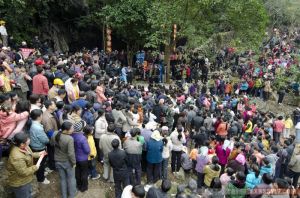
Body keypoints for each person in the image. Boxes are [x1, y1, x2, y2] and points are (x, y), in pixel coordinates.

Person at [7, 133, 46, 198]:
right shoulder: (17, 157)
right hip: (20, 182)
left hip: (25, 179)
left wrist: (39, 154)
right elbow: (23, 172)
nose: (29, 140)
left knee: (28, 193)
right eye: (28, 140)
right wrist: (35, 167)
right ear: (22, 144)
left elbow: (30, 154)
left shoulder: (25, 146)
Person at [51, 121, 77, 198]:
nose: (73, 130)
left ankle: (64, 196)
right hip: (67, 162)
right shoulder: (69, 139)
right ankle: (72, 195)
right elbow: (71, 154)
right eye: (72, 129)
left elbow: (52, 143)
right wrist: (74, 162)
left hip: (57, 160)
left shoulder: (55, 133)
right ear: (66, 130)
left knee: (62, 179)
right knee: (71, 178)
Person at [28, 109, 50, 184]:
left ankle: (40, 173)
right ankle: (41, 179)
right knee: (40, 164)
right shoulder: (37, 128)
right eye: (41, 115)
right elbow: (45, 140)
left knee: (39, 163)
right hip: (39, 148)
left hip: (33, 145)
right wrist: (49, 140)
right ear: (39, 117)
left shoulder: (31, 123)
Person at [71, 120, 90, 192]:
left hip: (75, 157)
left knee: (77, 172)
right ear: (81, 129)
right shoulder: (82, 138)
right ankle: (84, 187)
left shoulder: (71, 135)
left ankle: (78, 185)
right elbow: (87, 150)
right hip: (83, 159)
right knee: (84, 173)